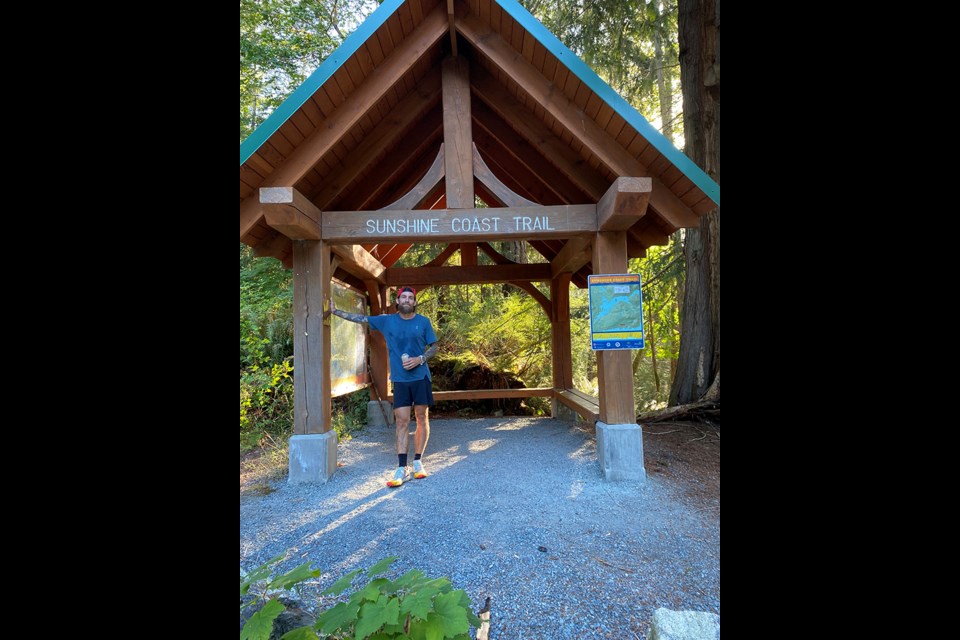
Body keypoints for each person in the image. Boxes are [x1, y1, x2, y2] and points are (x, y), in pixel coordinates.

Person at [329, 286, 438, 487]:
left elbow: (434, 347)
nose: (406, 300)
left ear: (414, 302)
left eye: (410, 298)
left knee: (422, 418)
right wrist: (336, 311)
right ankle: (401, 467)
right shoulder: (387, 320)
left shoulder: (423, 322)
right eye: (403, 297)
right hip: (400, 380)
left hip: (421, 377)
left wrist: (420, 359)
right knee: (402, 421)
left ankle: (418, 462)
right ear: (398, 301)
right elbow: (361, 319)